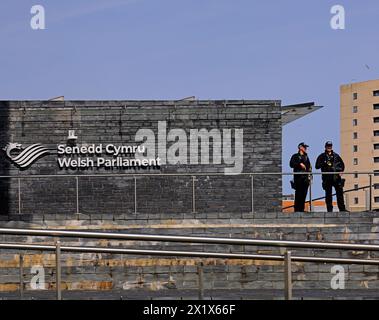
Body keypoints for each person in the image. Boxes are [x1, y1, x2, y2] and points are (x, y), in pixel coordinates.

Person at [315, 141, 348, 212]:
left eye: (330, 146)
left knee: (339, 193)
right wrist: (324, 163)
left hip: (336, 177)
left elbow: (342, 165)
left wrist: (341, 171)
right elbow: (317, 166)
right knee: (328, 194)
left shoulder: (336, 156)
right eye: (328, 146)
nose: (329, 147)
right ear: (325, 147)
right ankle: (329, 210)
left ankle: (342, 209)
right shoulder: (322, 156)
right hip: (327, 178)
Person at [289, 142, 312, 212]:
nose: (306, 148)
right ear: (300, 147)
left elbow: (309, 167)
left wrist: (310, 176)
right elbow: (291, 164)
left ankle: (301, 209)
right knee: (298, 194)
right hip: (298, 178)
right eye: (304, 147)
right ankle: (297, 210)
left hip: (305, 179)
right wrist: (299, 164)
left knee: (304, 194)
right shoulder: (295, 156)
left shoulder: (306, 157)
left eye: (306, 147)